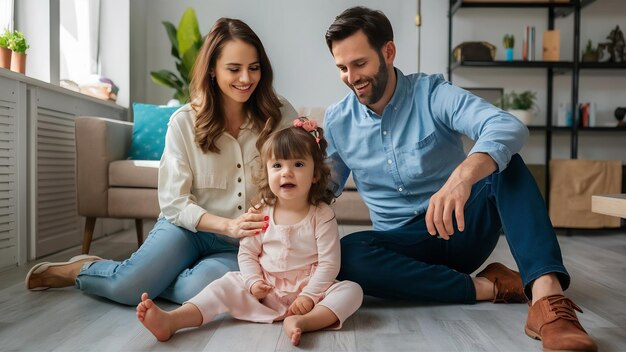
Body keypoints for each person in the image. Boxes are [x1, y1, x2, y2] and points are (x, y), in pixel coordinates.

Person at [322, 6, 597, 352]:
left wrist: (463, 176)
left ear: (388, 52)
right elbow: (319, 191)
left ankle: (547, 302)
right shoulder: (336, 121)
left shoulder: (432, 94)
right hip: (401, 251)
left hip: (459, 230)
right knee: (347, 254)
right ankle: (488, 287)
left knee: (506, 162)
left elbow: (506, 126)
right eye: (342, 68)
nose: (352, 77)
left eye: (360, 64)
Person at [25, 18, 299, 306]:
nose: (246, 79)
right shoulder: (184, 122)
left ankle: (150, 275)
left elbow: (302, 170)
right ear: (212, 71)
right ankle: (86, 268)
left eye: (253, 68)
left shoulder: (279, 114)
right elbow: (174, 202)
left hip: (243, 243)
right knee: (128, 289)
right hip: (187, 230)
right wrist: (227, 225)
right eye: (234, 69)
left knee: (197, 290)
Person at [135, 118, 363, 346]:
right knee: (224, 284)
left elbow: (329, 264)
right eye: (277, 165)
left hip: (310, 292)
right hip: (266, 291)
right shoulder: (261, 211)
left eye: (298, 165)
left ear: (315, 174)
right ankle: (173, 320)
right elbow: (247, 254)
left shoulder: (321, 215)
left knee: (352, 291)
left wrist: (309, 296)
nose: (287, 173)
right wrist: (254, 282)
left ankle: (303, 322)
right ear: (267, 171)